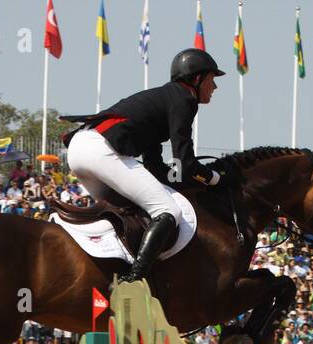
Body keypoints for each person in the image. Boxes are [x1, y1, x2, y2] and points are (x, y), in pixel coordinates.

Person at [61, 48, 225, 283]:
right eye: (212, 80)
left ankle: (109, 269)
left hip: (81, 150)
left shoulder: (165, 98)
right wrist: (216, 178)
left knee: (127, 212)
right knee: (168, 211)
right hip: (100, 150)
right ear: (196, 79)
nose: (215, 87)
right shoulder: (184, 99)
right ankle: (135, 280)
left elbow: (155, 166)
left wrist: (176, 177)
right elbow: (185, 162)